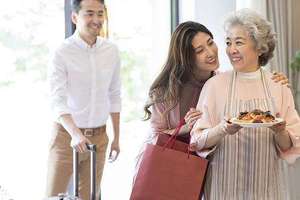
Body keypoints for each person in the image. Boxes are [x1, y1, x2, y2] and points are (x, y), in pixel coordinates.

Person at [190, 9, 300, 200]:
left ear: (259, 47)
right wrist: (223, 129)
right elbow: (197, 141)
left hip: (266, 191)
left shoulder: (278, 85)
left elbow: (288, 145)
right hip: (222, 189)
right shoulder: (214, 85)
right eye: (228, 43)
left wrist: (280, 131)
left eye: (238, 42)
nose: (231, 49)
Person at [45, 0, 121, 199]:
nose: (96, 19)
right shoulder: (61, 52)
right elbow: (57, 100)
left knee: (89, 197)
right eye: (89, 13)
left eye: (100, 13)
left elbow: (114, 95)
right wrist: (75, 134)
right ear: (75, 17)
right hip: (65, 137)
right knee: (54, 196)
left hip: (99, 137)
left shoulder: (111, 51)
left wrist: (117, 138)